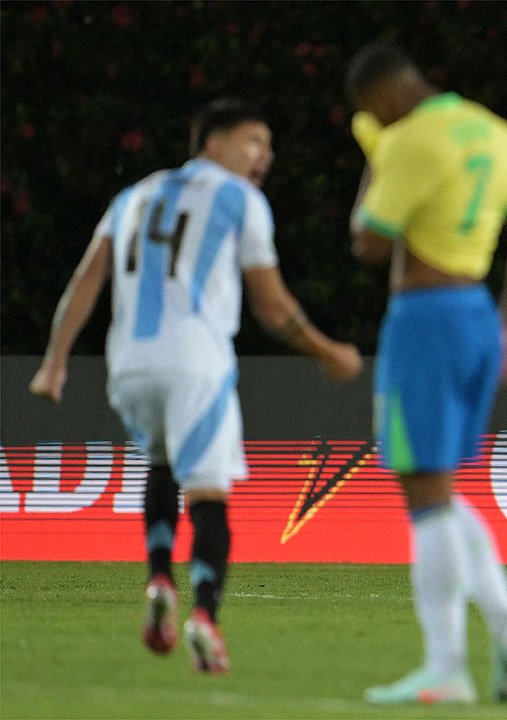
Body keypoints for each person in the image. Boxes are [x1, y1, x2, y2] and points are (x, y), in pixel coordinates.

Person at [29, 98, 363, 673]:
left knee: (160, 465)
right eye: (255, 140)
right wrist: (327, 351)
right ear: (214, 144)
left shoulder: (132, 196)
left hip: (127, 366)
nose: (266, 155)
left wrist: (55, 360)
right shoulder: (241, 200)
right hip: (196, 364)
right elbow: (272, 304)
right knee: (209, 493)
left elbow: (88, 277)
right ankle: (204, 613)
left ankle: (159, 577)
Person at [344, 42, 507, 705]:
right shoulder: (496, 131)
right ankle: (506, 629)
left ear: (380, 99)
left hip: (424, 320)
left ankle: (450, 665)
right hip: (478, 316)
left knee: (423, 494)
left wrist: (375, 161)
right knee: (437, 486)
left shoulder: (408, 141)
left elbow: (368, 243)